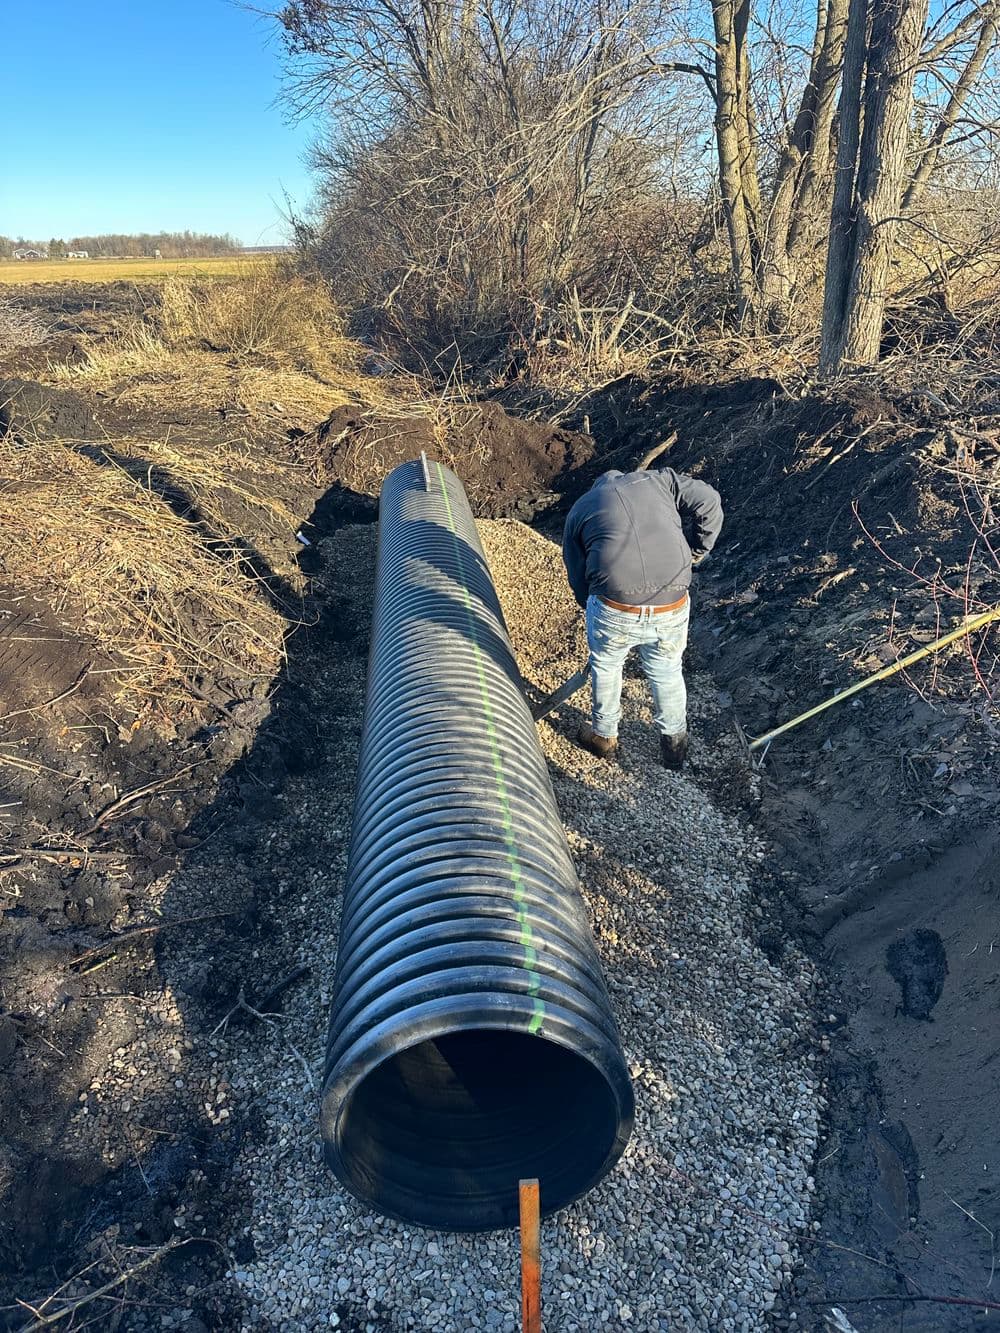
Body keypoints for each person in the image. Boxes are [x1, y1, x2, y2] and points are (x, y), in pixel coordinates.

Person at [562, 466, 723, 769]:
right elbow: (709, 500)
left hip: (615, 602)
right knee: (667, 668)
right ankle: (675, 742)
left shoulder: (582, 507)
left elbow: (577, 575)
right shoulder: (661, 480)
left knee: (607, 665)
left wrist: (592, 605)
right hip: (671, 597)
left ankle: (604, 736)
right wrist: (698, 550)